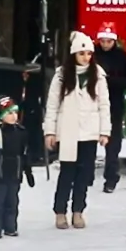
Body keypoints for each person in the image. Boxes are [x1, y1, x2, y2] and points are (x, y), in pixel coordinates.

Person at [44, 31, 111, 230]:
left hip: (89, 132)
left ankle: (78, 211)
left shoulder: (98, 75)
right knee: (67, 173)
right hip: (68, 131)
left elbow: (104, 105)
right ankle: (60, 212)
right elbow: (53, 104)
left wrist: (104, 131)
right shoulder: (62, 75)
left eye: (89, 54)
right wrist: (50, 131)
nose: (86, 58)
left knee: (84, 175)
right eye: (82, 54)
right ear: (74, 54)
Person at [94, 22, 126, 193]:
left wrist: (112, 82)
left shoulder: (122, 56)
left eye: (109, 41)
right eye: (103, 41)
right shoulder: (92, 55)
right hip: (93, 104)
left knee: (113, 144)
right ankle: (86, 175)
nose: (105, 44)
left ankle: (111, 178)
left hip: (114, 105)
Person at [0, 96, 35, 239]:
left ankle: (10, 227)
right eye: (9, 113)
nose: (13, 116)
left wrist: (28, 171)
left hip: (14, 173)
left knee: (12, 202)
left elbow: (24, 153)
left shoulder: (21, 132)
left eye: (15, 113)